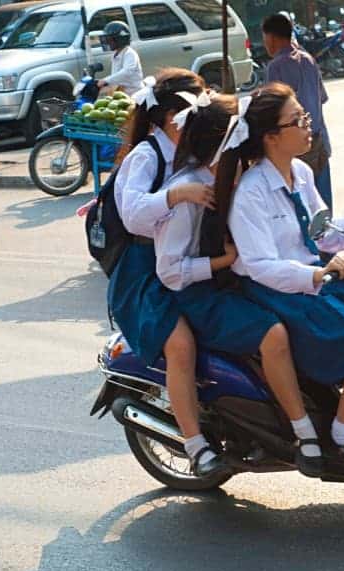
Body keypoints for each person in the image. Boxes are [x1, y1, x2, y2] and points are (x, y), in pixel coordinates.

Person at [224, 83, 344, 471]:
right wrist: (318, 272)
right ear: (271, 136)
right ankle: (342, 431)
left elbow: (325, 232)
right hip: (278, 291)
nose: (309, 127)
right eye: (298, 121)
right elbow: (260, 266)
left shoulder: (301, 172)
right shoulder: (252, 193)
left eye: (305, 118)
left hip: (312, 278)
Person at [156, 90, 326, 476]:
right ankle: (304, 433)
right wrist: (223, 261)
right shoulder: (191, 192)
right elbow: (170, 272)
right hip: (198, 293)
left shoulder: (234, 176)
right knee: (274, 334)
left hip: (230, 281)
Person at [109, 69, 223, 476]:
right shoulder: (147, 155)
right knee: (181, 346)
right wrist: (177, 194)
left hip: (187, 262)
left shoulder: (194, 153)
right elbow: (134, 215)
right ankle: (195, 445)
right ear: (165, 118)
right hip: (143, 277)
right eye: (189, 114)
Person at [260, 12, 335, 214]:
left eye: (264, 38)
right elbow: (321, 99)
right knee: (323, 207)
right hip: (319, 141)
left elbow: (271, 110)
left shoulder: (276, 66)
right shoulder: (308, 59)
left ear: (272, 38)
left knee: (302, 210)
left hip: (295, 145)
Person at [97, 21, 142, 94]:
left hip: (134, 94)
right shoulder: (116, 54)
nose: (107, 42)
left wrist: (105, 80)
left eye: (110, 40)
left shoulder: (130, 53)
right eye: (107, 39)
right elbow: (116, 76)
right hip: (120, 93)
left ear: (120, 39)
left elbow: (127, 72)